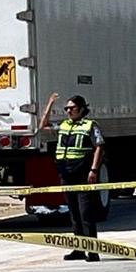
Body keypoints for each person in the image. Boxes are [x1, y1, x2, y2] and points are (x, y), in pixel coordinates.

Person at [51, 94, 106, 261]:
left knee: (85, 213)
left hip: (83, 174)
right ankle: (79, 249)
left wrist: (94, 169)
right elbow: (42, 125)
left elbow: (99, 146)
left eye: (72, 108)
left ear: (81, 109)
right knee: (74, 213)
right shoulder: (64, 125)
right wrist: (50, 104)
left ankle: (93, 251)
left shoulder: (90, 125)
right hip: (67, 174)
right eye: (66, 108)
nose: (68, 111)